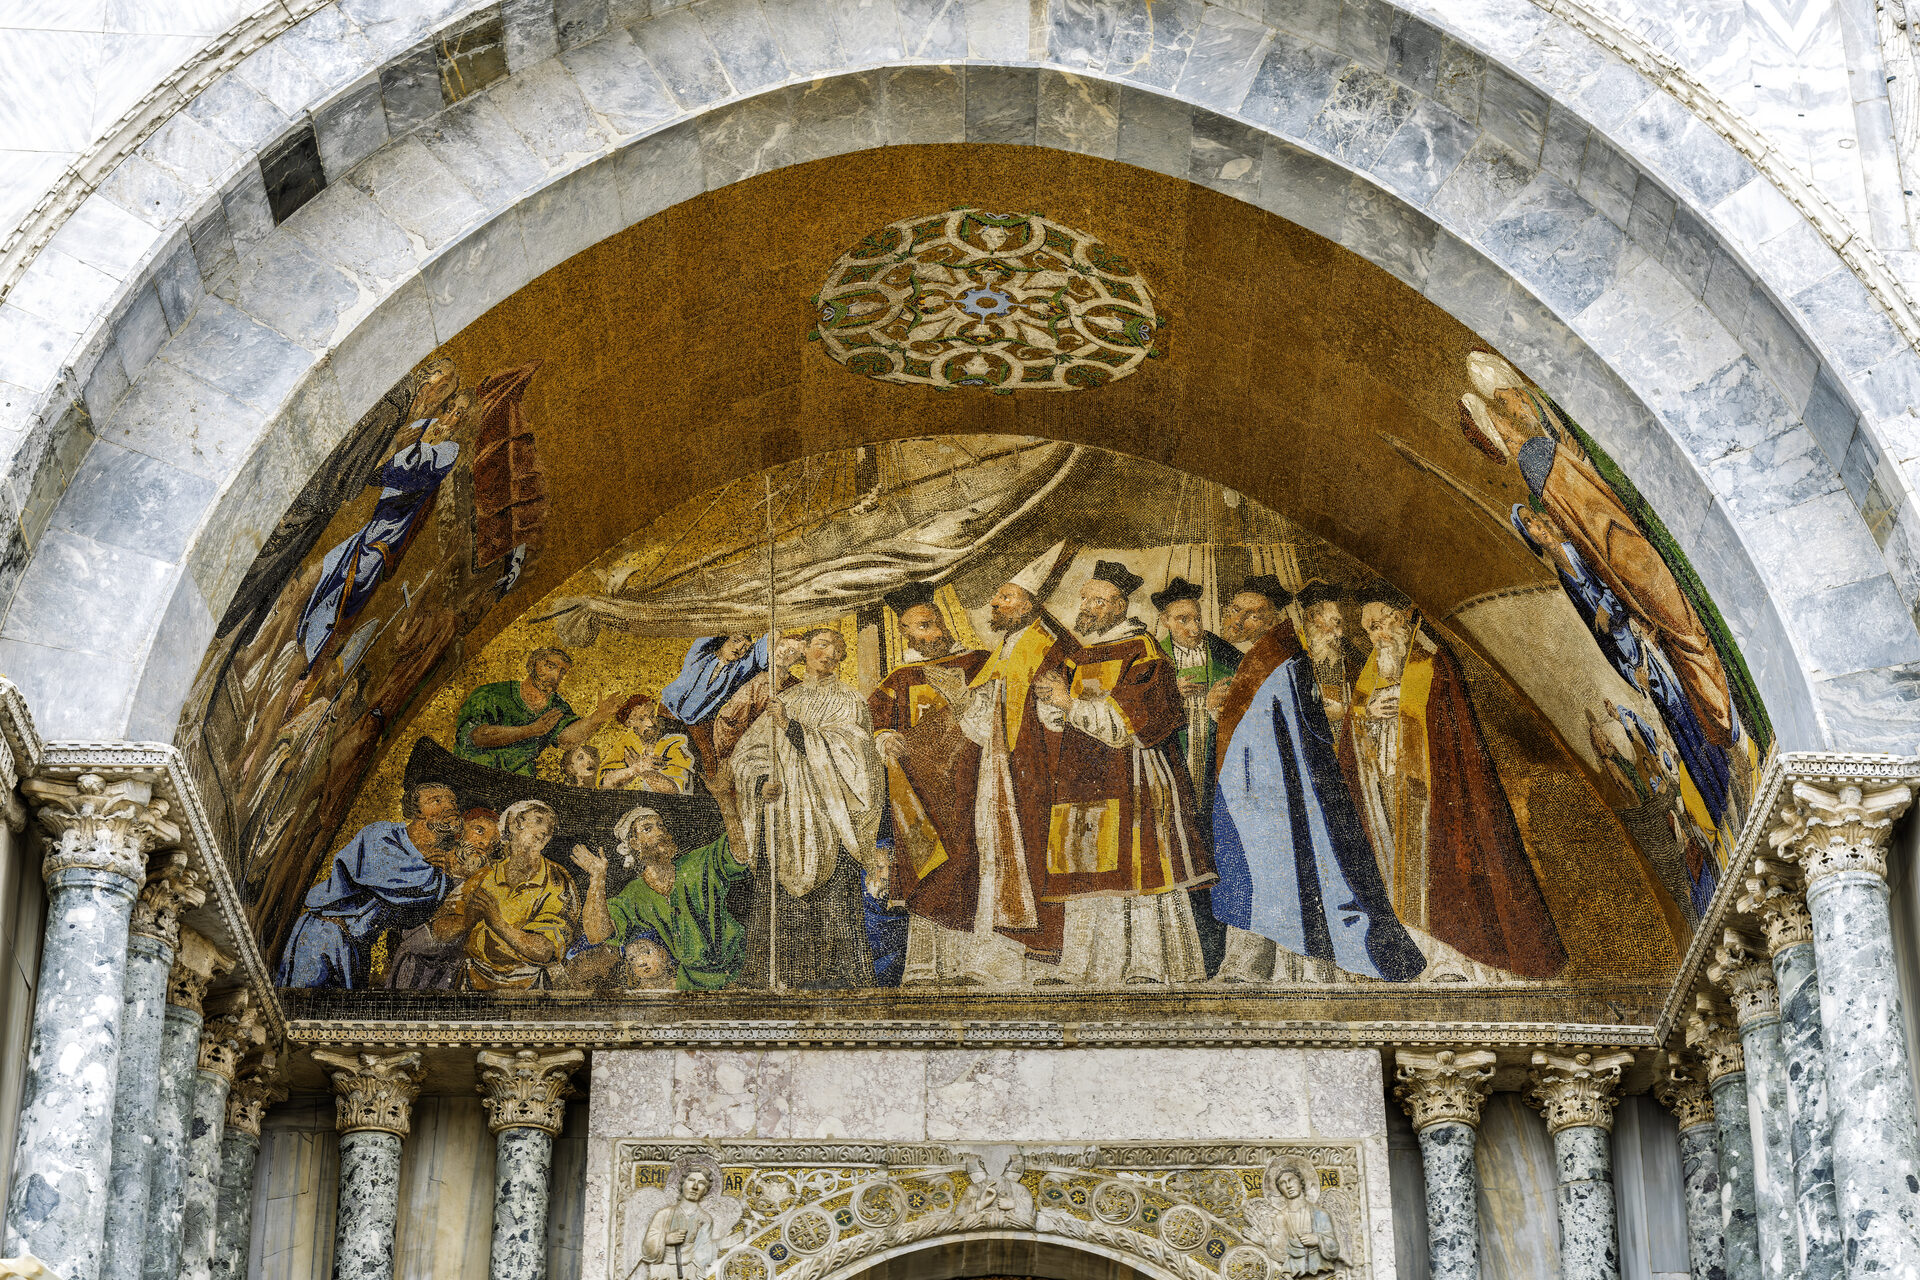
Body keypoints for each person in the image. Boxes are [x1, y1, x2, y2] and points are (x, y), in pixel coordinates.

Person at [1466, 351, 1733, 747]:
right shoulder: (1535, 457)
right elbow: (1591, 519)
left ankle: (1718, 713)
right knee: (1677, 627)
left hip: (1624, 551)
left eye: (1510, 398)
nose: (1518, 405)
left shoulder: (1546, 436)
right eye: (1505, 405)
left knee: (1681, 625)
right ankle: (1715, 715)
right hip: (1622, 553)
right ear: (1497, 425)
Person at [1205, 577, 1426, 984]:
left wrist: (1351, 713)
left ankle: (1300, 967)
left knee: (1297, 870)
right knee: (1271, 872)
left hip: (1281, 791)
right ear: (1307, 620)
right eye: (1332, 624)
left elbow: (1300, 718)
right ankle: (1259, 966)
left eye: (1247, 612)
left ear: (1271, 616)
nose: (1340, 633)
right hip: (1264, 795)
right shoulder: (1271, 656)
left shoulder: (1280, 654)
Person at [1343, 588, 1567, 980]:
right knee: (1393, 874)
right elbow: (1351, 736)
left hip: (1435, 792)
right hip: (1385, 792)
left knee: (1444, 875)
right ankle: (1415, 958)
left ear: (1404, 617)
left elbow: (1448, 729)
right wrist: (1365, 712)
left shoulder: (1432, 666)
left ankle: (1453, 960)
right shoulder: (1370, 673)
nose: (1376, 636)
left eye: (1380, 624)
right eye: (1368, 630)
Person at [1036, 560, 1212, 984]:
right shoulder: (1076, 652)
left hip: (1132, 771)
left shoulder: (1143, 650)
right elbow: (1052, 712)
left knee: (1139, 867)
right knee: (1083, 863)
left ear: (1119, 604)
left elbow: (1128, 722)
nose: (1090, 608)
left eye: (1099, 601)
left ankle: (1145, 966)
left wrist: (1066, 702)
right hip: (1082, 775)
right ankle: (1080, 966)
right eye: (1086, 600)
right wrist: (1051, 701)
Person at [866, 581, 1013, 985]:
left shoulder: (979, 662)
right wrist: (883, 737)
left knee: (975, 864)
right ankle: (929, 966)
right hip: (921, 793)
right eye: (920, 628)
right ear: (905, 634)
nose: (932, 633)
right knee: (929, 869)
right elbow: (875, 720)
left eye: (935, 623)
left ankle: (977, 963)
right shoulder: (899, 678)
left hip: (973, 783)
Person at [729, 628, 885, 989]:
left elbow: (856, 754)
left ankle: (840, 984)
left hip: (829, 819)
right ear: (806, 651)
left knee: (833, 905)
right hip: (784, 817)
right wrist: (760, 782)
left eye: (837, 648)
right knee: (779, 906)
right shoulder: (784, 699)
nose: (828, 653)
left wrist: (792, 728)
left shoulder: (849, 700)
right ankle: (778, 979)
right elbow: (748, 755)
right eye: (821, 645)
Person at [295, 373, 469, 671]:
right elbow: (381, 462)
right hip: (374, 520)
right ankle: (303, 637)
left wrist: (410, 448)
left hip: (392, 528)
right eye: (450, 406)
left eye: (459, 413)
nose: (451, 415)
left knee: (358, 580)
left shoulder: (449, 450)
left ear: (465, 421)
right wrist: (399, 449)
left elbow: (408, 476)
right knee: (332, 564)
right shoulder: (422, 427)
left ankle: (316, 655)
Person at [277, 781, 463, 988]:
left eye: (452, 801)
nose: (448, 806)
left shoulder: (436, 863)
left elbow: (416, 914)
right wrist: (436, 871)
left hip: (358, 948)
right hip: (322, 938)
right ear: (417, 811)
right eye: (436, 801)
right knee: (304, 1005)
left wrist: (443, 875)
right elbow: (393, 881)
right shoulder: (380, 835)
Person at [574, 806, 755, 991]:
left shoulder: (698, 862)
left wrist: (723, 797)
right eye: (648, 828)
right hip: (692, 982)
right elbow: (597, 933)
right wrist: (597, 878)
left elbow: (741, 855)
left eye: (661, 825)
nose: (659, 832)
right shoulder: (635, 893)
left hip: (742, 968)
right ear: (634, 843)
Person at [437, 799, 575, 990]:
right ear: (514, 825)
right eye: (538, 819)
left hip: (529, 987)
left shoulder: (556, 879)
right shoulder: (484, 876)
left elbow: (545, 950)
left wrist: (496, 922)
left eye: (551, 826)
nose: (546, 828)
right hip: (473, 981)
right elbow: (440, 932)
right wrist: (469, 919)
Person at [1152, 576, 1240, 824]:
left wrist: (1218, 704)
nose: (1194, 628)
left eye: (1197, 618)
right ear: (1165, 621)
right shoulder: (1155, 657)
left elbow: (1248, 694)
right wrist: (1172, 693)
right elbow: (1143, 714)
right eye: (1183, 620)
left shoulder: (1224, 652)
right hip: (1177, 753)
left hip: (1217, 752)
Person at [455, 647, 620, 776]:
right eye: (550, 666)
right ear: (533, 664)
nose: (555, 676)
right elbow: (476, 736)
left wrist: (596, 718)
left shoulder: (557, 706)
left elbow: (566, 739)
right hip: (475, 769)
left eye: (562, 672)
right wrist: (530, 730)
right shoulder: (491, 694)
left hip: (520, 778)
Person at [387, 807, 501, 990]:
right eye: (479, 830)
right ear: (459, 831)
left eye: (493, 842)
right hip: (413, 967)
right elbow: (409, 932)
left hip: (455, 973)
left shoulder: (487, 881)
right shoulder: (431, 865)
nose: (485, 843)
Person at [662, 632, 775, 772]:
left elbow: (761, 653)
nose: (739, 647)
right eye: (735, 640)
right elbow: (710, 630)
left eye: (745, 647)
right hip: (668, 711)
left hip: (699, 722)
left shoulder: (739, 669)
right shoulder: (700, 654)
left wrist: (770, 632)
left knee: (709, 763)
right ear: (724, 639)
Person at [1246, 1162, 1340, 1276]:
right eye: (1282, 1183)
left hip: (1321, 1267)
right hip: (1293, 1269)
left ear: (1301, 1183)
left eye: (1291, 1180)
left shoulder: (1320, 1213)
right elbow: (1280, 1248)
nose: (1288, 1185)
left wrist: (1318, 1240)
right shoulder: (1280, 1217)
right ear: (1280, 1190)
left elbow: (1334, 1247)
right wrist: (1263, 1241)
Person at [637, 1165, 723, 1280]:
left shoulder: (705, 1219)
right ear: (682, 1184)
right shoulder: (664, 1214)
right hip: (664, 1270)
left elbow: (703, 1252)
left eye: (701, 1183)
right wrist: (666, 1239)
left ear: (705, 1190)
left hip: (690, 1272)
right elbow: (647, 1249)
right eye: (691, 1180)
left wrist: (721, 1244)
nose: (695, 1187)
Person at [596, 695, 696, 793]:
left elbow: (675, 790)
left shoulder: (675, 741)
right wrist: (635, 769)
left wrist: (645, 772)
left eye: (652, 716)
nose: (651, 723)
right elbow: (604, 783)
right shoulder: (626, 743)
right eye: (641, 719)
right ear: (629, 723)